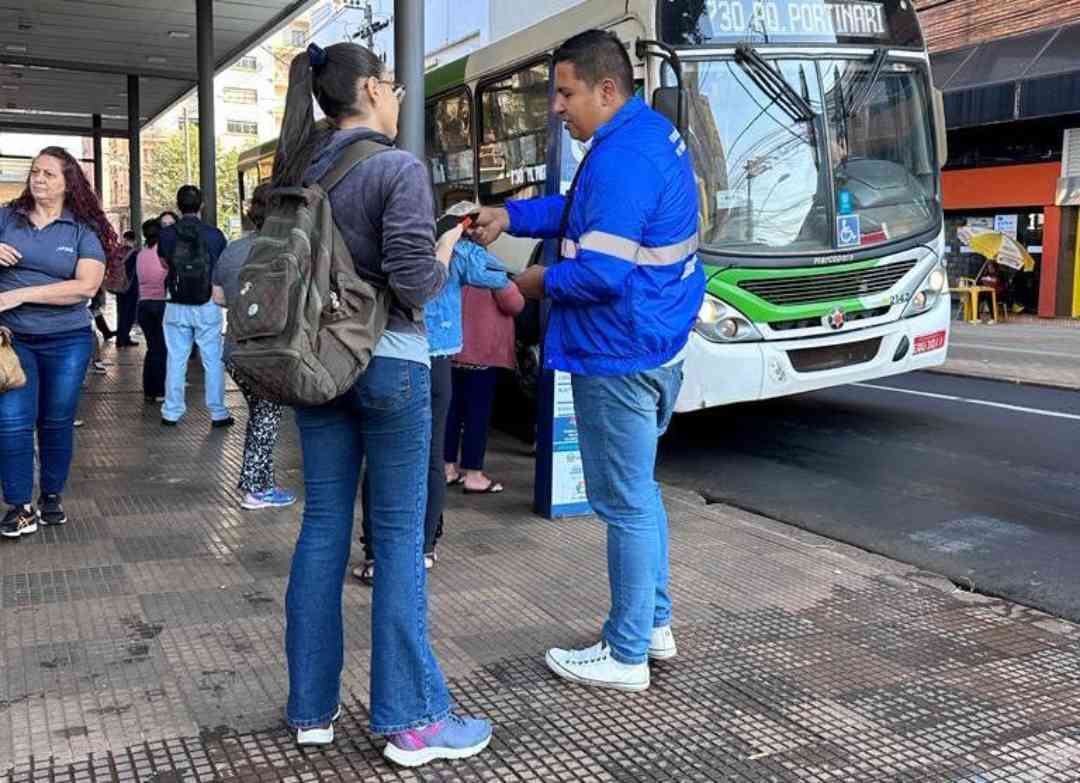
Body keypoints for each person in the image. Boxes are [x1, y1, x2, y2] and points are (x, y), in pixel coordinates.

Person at [273, 40, 491, 765]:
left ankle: (311, 709)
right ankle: (412, 721)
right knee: (397, 540)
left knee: (323, 527)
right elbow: (411, 278)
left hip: (314, 366)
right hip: (390, 365)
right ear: (368, 89)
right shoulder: (397, 168)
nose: (398, 98)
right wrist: (441, 255)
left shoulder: (297, 168)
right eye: (394, 86)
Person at [471, 30, 705, 692]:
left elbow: (598, 273)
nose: (557, 107)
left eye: (566, 92)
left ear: (607, 90)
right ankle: (652, 623)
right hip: (653, 341)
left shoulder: (620, 157)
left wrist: (527, 285)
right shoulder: (642, 136)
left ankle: (626, 651)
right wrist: (508, 217)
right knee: (642, 493)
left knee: (625, 502)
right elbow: (581, 214)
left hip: (618, 350)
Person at [353, 238, 511, 584]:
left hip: (380, 356)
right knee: (430, 456)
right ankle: (424, 547)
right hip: (434, 358)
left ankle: (376, 553)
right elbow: (506, 287)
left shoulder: (374, 238)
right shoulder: (456, 249)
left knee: (379, 458)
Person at [0, 146, 121, 537]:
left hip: (66, 341)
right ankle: (19, 506)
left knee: (56, 421)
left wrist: (21, 294)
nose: (38, 179)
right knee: (12, 421)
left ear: (68, 184)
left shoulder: (82, 230)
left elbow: (85, 287)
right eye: (35, 172)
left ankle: (51, 494)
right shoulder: (6, 218)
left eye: (49, 174)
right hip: (12, 339)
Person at [212, 184, 296, 511]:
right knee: (265, 416)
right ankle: (257, 487)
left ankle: (254, 480)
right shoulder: (284, 250)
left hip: (235, 348)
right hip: (268, 351)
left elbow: (218, 297)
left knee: (261, 413)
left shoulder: (233, 248)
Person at [157, 185, 231, 428]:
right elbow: (221, 267)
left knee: (176, 358)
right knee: (212, 359)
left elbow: (164, 265)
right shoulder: (214, 235)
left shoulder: (167, 235)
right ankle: (218, 413)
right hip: (206, 302)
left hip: (176, 303)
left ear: (178, 206)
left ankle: (171, 412)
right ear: (201, 205)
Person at [444, 276, 525, 495]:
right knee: (477, 416)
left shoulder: (448, 260)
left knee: (450, 411)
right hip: (482, 355)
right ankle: (473, 474)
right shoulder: (488, 267)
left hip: (451, 350)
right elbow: (514, 304)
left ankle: (447, 468)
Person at [135, 218, 168, 402]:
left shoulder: (141, 254)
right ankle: (161, 390)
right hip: (161, 303)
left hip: (144, 304)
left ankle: (149, 390)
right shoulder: (163, 254)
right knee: (162, 348)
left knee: (152, 348)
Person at [114, 229, 140, 347]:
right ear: (134, 240)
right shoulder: (136, 253)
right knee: (129, 314)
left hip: (119, 287)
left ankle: (120, 338)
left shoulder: (118, 252)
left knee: (121, 313)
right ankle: (125, 338)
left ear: (124, 239)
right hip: (131, 287)